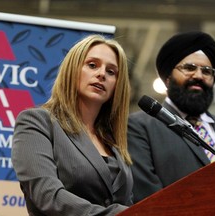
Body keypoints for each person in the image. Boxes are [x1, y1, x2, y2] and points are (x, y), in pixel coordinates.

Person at [11, 34, 133, 215]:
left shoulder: (113, 141)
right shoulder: (37, 122)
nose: (101, 74)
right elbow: (47, 195)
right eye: (92, 65)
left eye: (111, 72)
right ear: (72, 70)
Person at [127, 31, 215, 203]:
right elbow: (146, 198)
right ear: (167, 78)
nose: (198, 76)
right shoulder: (139, 127)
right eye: (189, 68)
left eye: (207, 71)